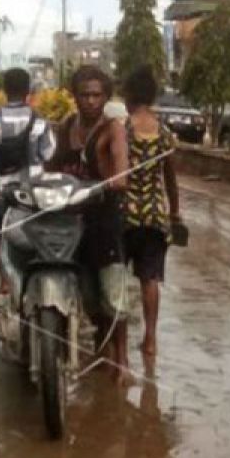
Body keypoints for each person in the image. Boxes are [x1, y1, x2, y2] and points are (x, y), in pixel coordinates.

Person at [48, 65, 131, 380]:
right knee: (88, 294)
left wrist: (107, 183)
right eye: (85, 95)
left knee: (113, 294)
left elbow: (121, 172)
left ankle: (122, 361)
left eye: (97, 95)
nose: (91, 101)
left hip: (105, 221)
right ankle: (101, 347)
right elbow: (51, 167)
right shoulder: (65, 127)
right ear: (74, 96)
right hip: (71, 223)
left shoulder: (113, 129)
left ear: (106, 97)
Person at [0, 67, 56, 293]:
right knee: (36, 232)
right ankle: (34, 278)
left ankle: (4, 280)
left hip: (0, 190)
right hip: (34, 191)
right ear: (29, 91)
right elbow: (49, 156)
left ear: (4, 90)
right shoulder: (40, 122)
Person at [121, 67, 181, 361]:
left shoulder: (122, 130)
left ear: (129, 95)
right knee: (150, 279)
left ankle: (115, 346)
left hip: (125, 214)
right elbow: (170, 179)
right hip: (156, 215)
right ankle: (151, 340)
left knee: (117, 276)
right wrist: (176, 215)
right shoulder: (165, 133)